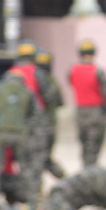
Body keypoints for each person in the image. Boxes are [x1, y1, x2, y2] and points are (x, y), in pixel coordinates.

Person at [7, 40, 60, 194]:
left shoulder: (10, 73)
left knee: (23, 159)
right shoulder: (37, 72)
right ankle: (36, 191)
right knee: (37, 158)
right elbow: (50, 97)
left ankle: (24, 190)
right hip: (36, 124)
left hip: (17, 124)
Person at [0, 70, 39, 200]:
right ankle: (33, 198)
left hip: (0, 133)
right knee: (25, 168)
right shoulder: (28, 91)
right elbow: (35, 114)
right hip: (20, 134)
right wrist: (28, 128)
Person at [68, 39, 106, 167]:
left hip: (80, 114)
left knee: (85, 147)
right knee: (94, 149)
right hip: (96, 113)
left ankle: (86, 170)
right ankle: (90, 175)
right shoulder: (98, 71)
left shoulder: (73, 71)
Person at [34, 49, 65, 179]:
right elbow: (59, 102)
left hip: (41, 125)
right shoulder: (52, 81)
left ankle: (60, 176)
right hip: (50, 124)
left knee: (40, 157)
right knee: (43, 156)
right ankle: (60, 175)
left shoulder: (34, 80)